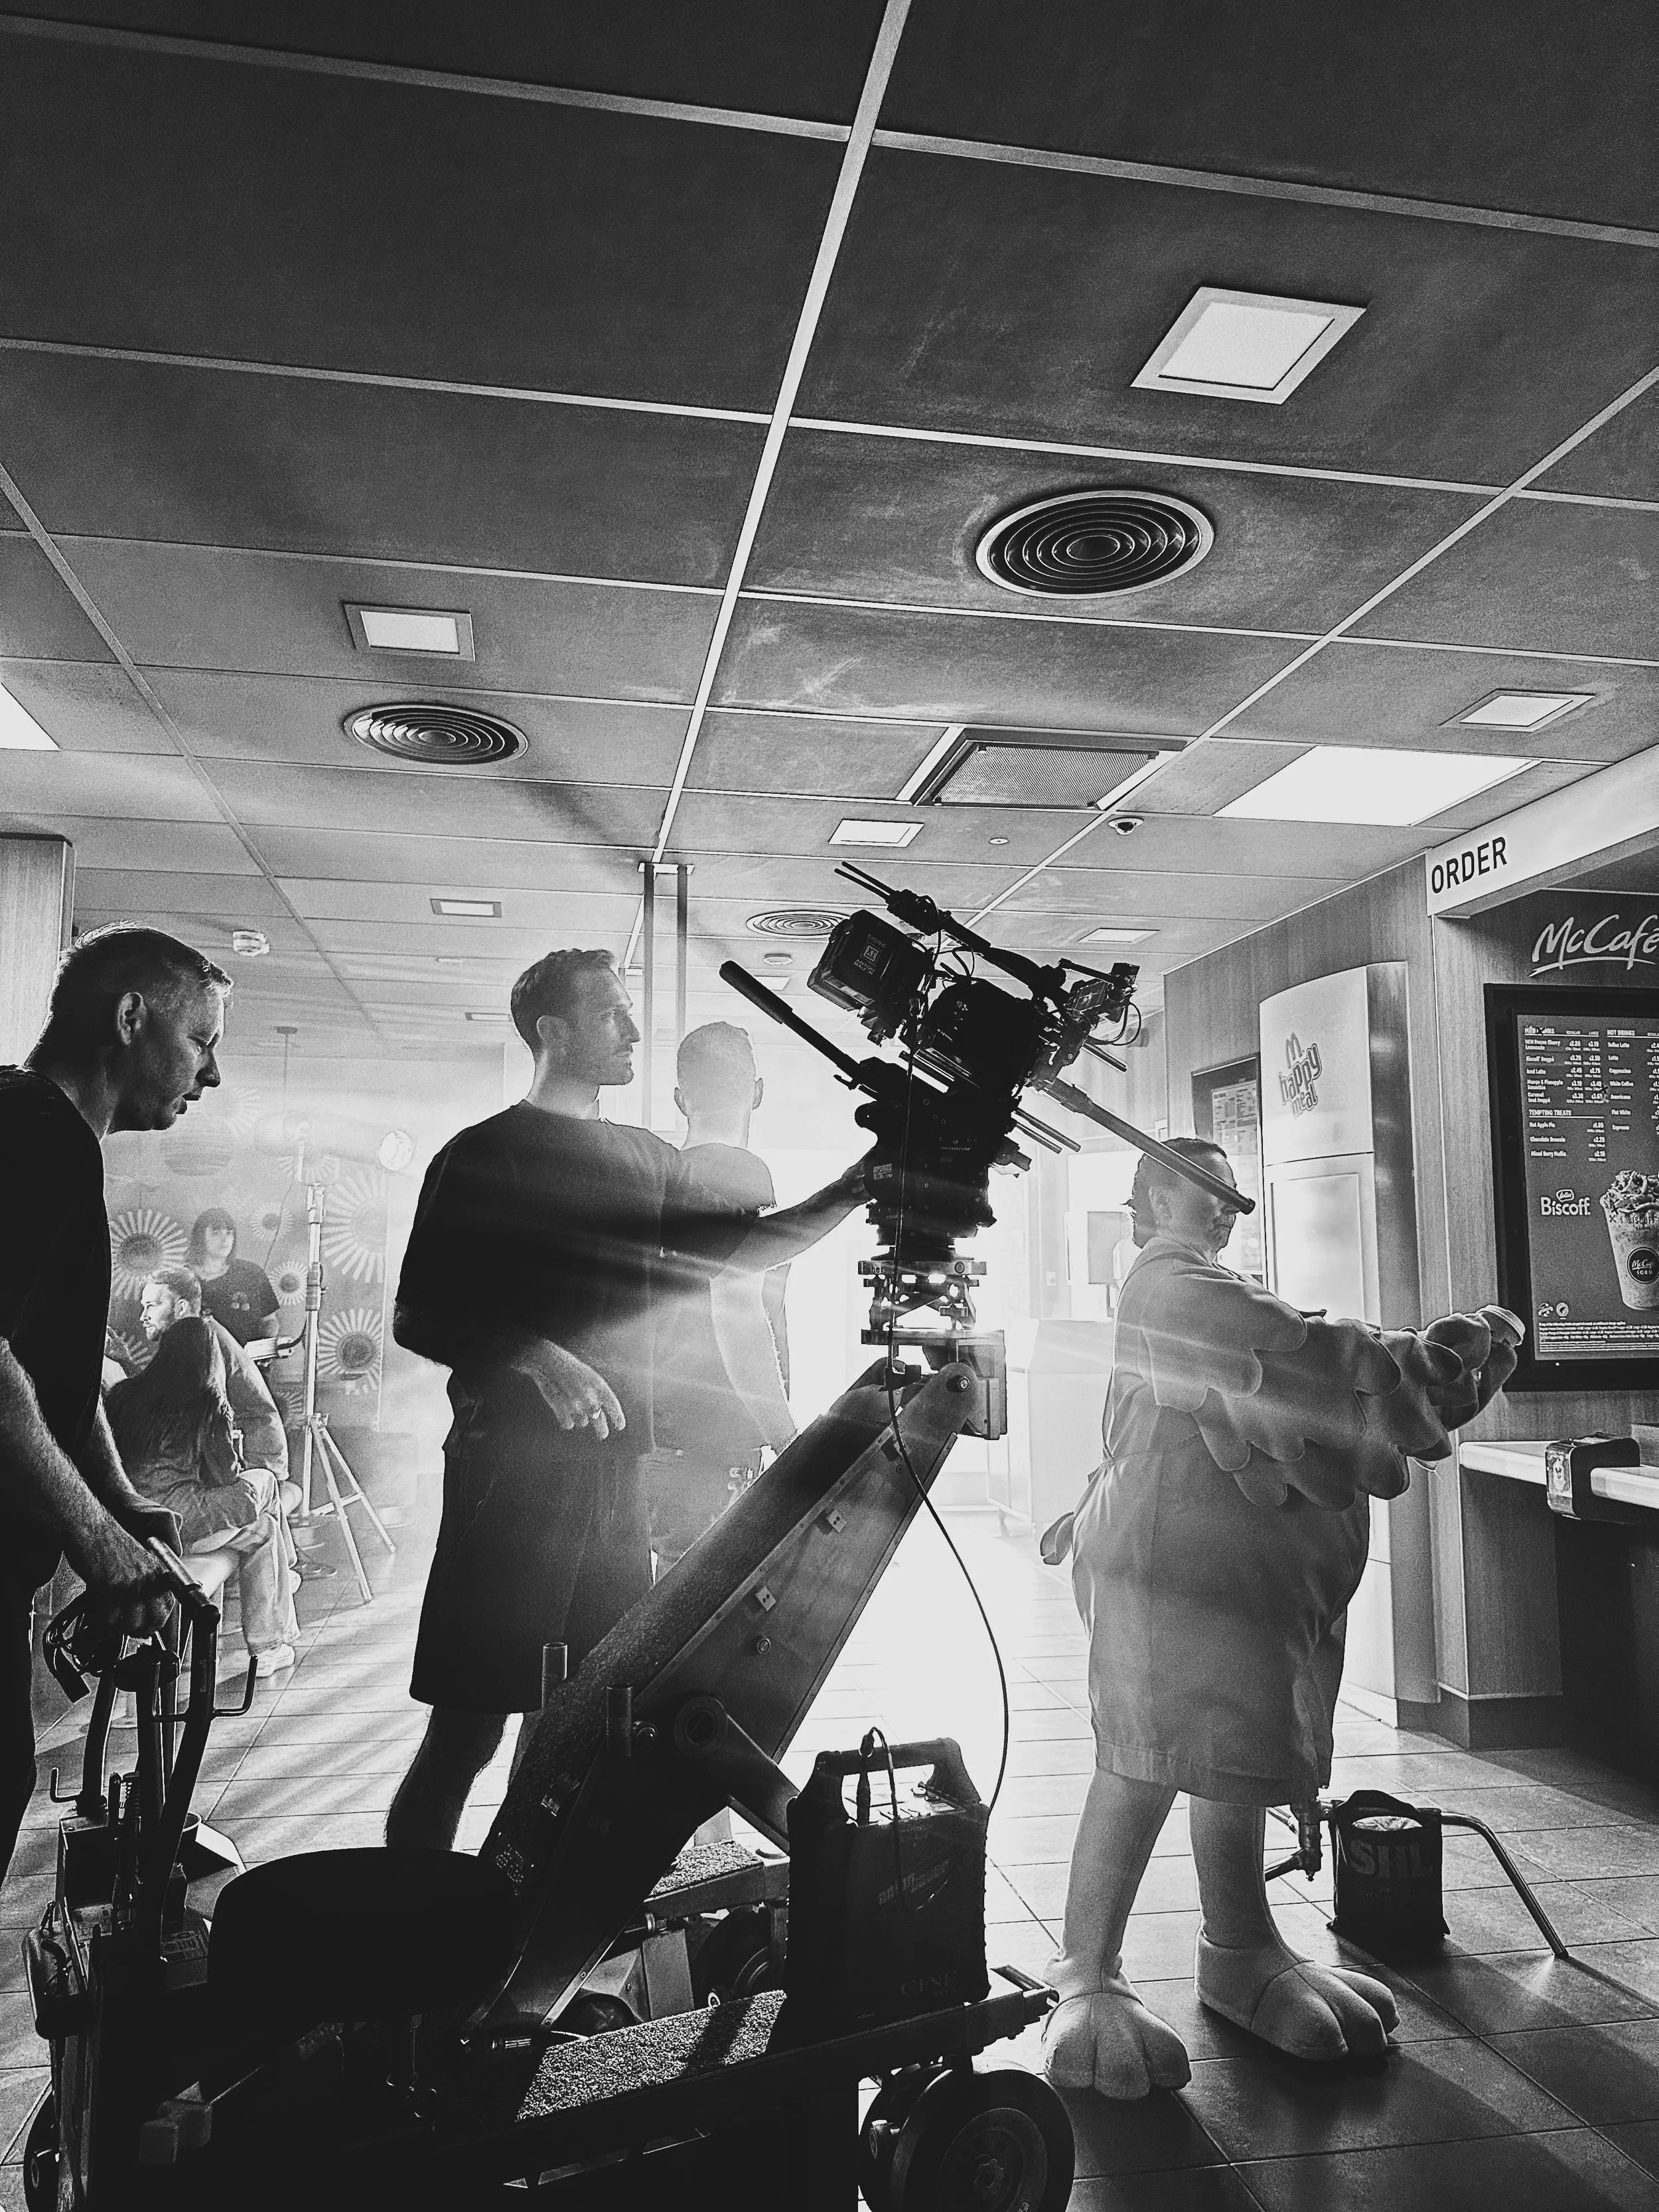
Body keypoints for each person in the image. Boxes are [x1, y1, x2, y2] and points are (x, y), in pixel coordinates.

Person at [1041, 1137, 1522, 2098]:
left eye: (1231, 1191)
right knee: (1140, 1760)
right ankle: (1086, 1970)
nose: (1223, 1205)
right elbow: (1298, 1351)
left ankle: (1241, 1948)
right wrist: (1416, 1363)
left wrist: (1397, 1364)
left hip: (1232, 1594)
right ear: (1152, 1197)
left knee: (1234, 1752)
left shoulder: (1216, 1281)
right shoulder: (1166, 1285)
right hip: (1158, 1572)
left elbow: (1294, 1350)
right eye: (1202, 1188)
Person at [385, 948, 870, 1851]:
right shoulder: (484, 1154)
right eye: (611, 1014)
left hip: (617, 1488)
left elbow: (741, 1257)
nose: (635, 1030)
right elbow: (417, 1312)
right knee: (467, 1735)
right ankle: (409, 1947)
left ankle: (514, 1913)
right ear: (554, 1031)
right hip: (510, 1492)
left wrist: (853, 1188)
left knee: (584, 1723)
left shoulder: (648, 1157)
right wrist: (533, 1355)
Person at [0, 924, 229, 1880]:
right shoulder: (35, 1131)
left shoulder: (49, 1136)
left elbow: (53, 1368)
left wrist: (128, 1507)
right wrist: (98, 1542)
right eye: (202, 1040)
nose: (211, 1074)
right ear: (131, 1017)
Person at [647, 1021, 795, 1573]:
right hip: (716, 1438)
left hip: (660, 1431)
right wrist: (786, 1436)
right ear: (757, 1092)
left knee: (668, 1600)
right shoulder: (743, 1175)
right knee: (701, 1619)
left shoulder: (657, 1175)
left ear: (681, 1099)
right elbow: (739, 1317)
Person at [107, 1317, 299, 1676]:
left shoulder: (124, 1394)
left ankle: (285, 1576)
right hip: (184, 1526)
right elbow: (223, 1477)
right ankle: (270, 1643)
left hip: (136, 1522)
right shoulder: (208, 1401)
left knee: (263, 1519)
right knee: (265, 1491)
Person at [140, 1264, 290, 1484]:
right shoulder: (196, 1333)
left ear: (181, 1308)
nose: (143, 1317)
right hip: (242, 1453)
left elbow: (196, 1409)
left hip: (251, 1460)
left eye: (152, 1306)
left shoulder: (200, 1340)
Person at [185, 1207, 281, 1350]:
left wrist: (266, 1347)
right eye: (216, 1233)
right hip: (199, 1362)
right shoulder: (184, 1278)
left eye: (229, 1233)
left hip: (247, 1363)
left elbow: (269, 1321)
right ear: (200, 1237)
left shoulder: (251, 1273)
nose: (225, 1239)